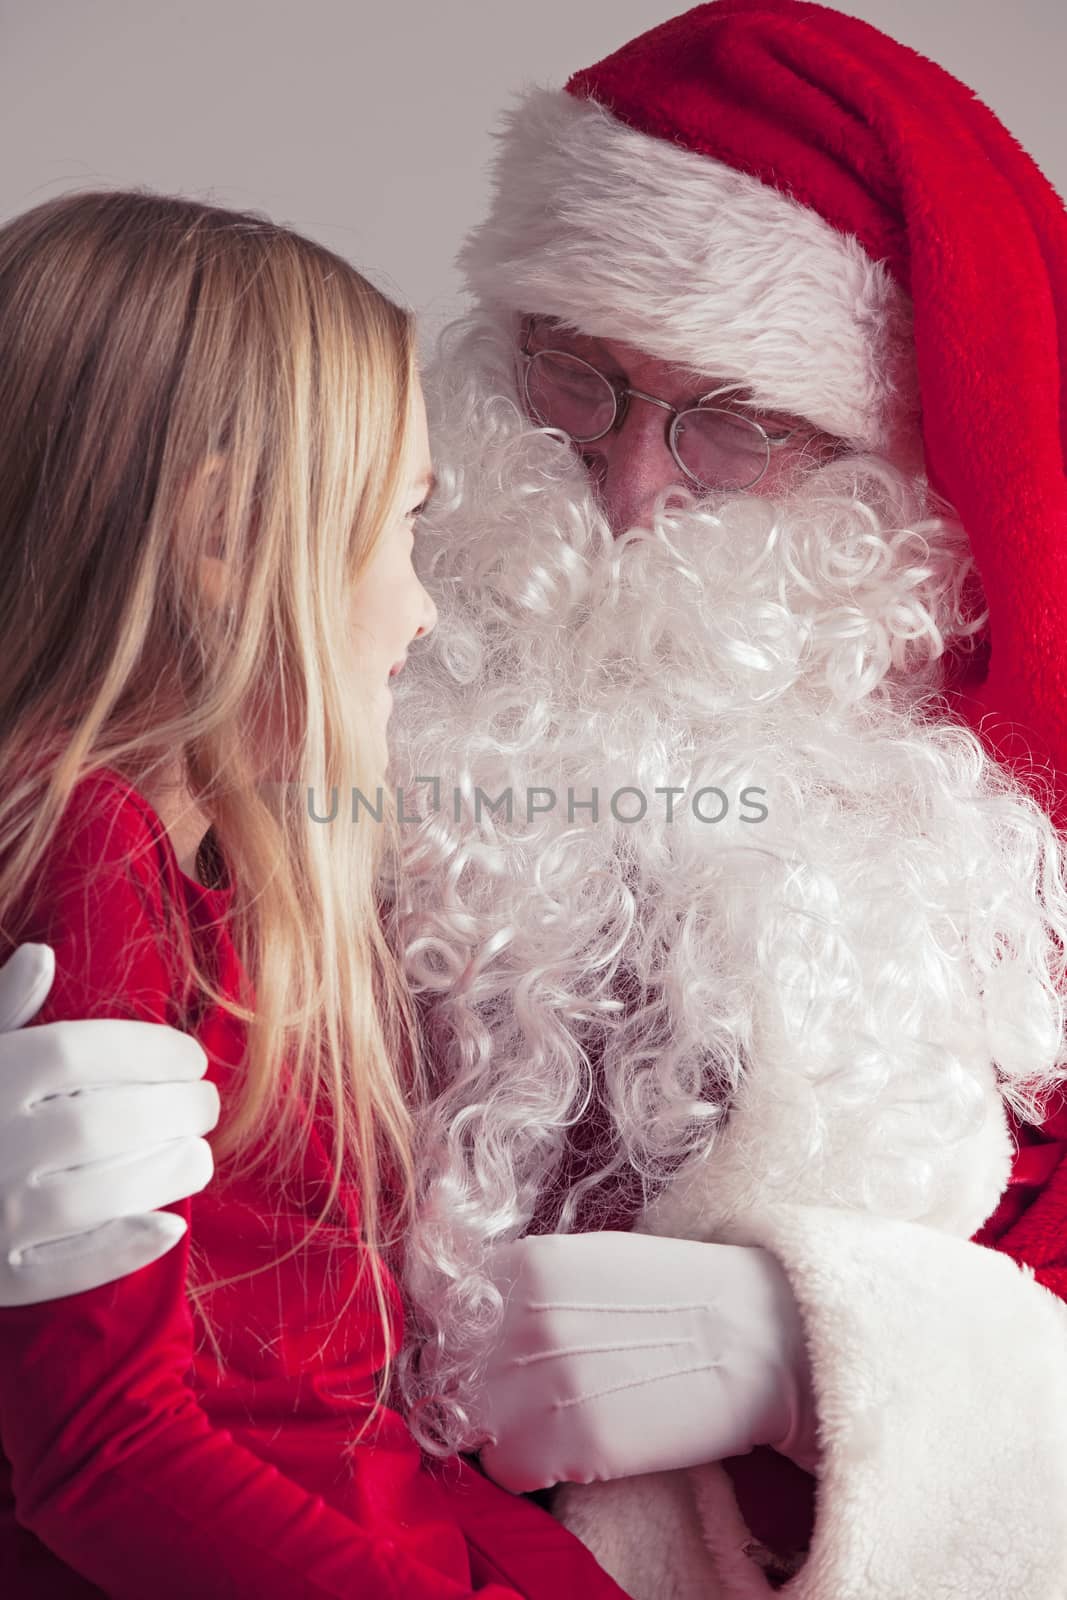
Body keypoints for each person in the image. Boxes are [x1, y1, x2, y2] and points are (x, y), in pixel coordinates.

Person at [3, 2, 1067, 1594]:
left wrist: (846, 1350)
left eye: (737, 426)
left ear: (894, 466)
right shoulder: (273, 697)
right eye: (580, 378)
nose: (628, 491)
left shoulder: (990, 861)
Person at [0, 188, 632, 1599]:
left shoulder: (238, 855)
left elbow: (349, 1422)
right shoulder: (87, 846)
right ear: (226, 536)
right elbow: (107, 1455)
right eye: (399, 528)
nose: (419, 607)